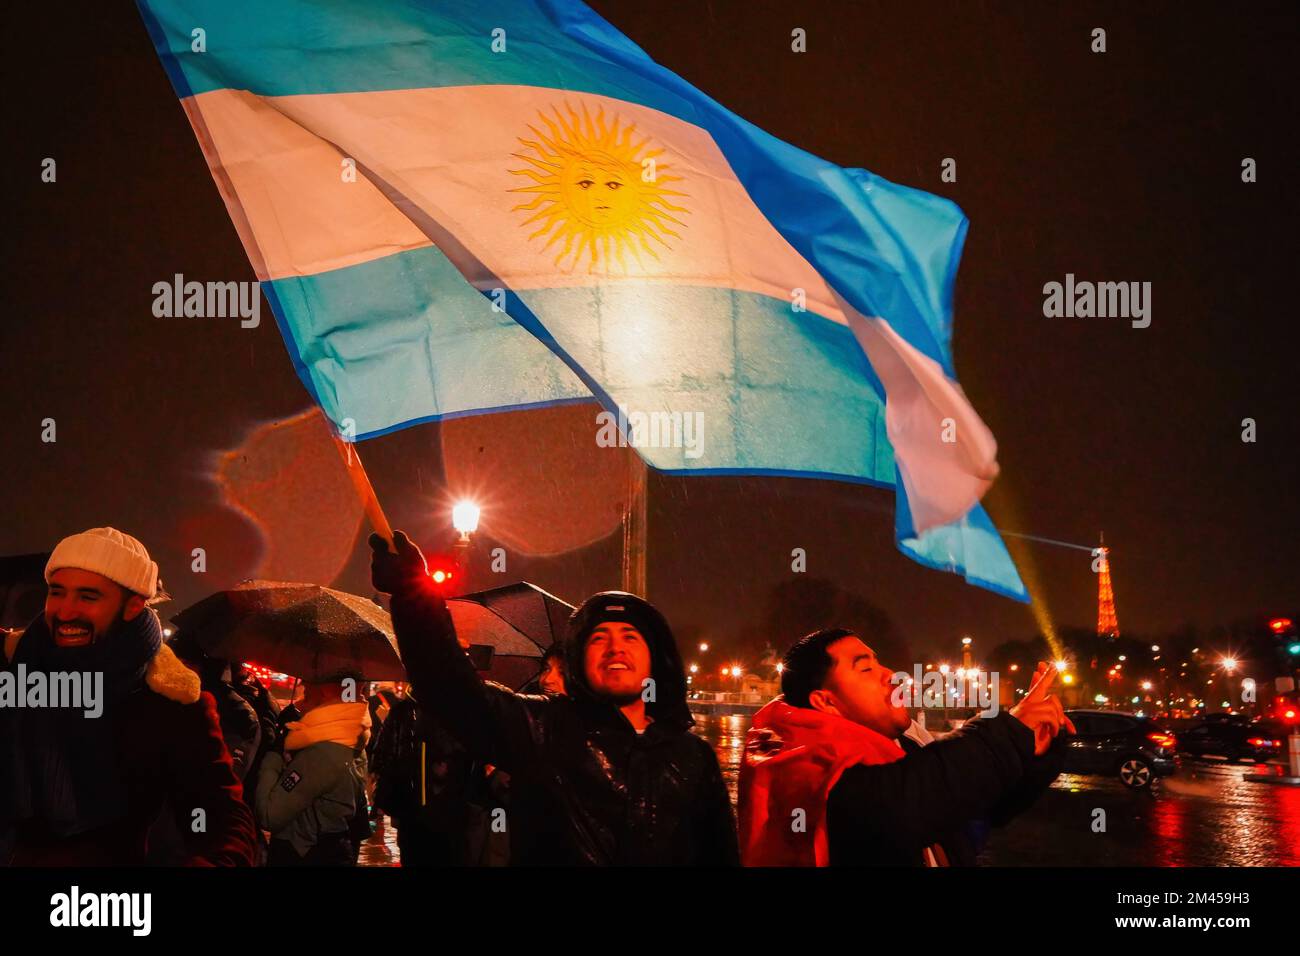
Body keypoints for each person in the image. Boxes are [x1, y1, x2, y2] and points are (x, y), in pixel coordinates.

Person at [371, 531, 738, 866]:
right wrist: (413, 593)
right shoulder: (542, 729)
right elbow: (450, 690)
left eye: (630, 636)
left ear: (656, 659)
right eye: (598, 639)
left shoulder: (695, 758)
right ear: (579, 661)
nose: (614, 648)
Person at [0, 527, 257, 866]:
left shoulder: (171, 701)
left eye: (88, 597)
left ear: (133, 605)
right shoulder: (14, 665)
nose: (64, 612)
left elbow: (220, 816)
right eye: (57, 593)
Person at [737, 627, 1072, 866]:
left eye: (879, 663)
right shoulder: (805, 765)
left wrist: (1033, 753)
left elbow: (969, 810)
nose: (890, 675)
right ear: (825, 701)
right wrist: (1009, 732)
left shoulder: (902, 744)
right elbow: (900, 806)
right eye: (866, 668)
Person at [254, 675, 372, 866]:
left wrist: (273, 756)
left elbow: (269, 814)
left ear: (329, 692)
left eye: (312, 681)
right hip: (328, 851)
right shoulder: (348, 737)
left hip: (304, 854)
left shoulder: (323, 753)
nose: (303, 683)